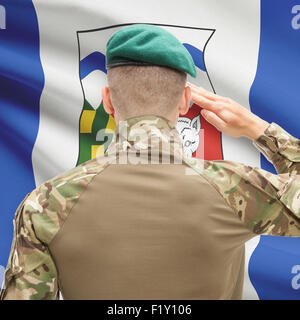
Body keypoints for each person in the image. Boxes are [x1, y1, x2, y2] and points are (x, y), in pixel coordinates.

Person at [1, 24, 300, 300]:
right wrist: (258, 130)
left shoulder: (46, 205)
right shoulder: (234, 189)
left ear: (107, 99)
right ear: (185, 101)